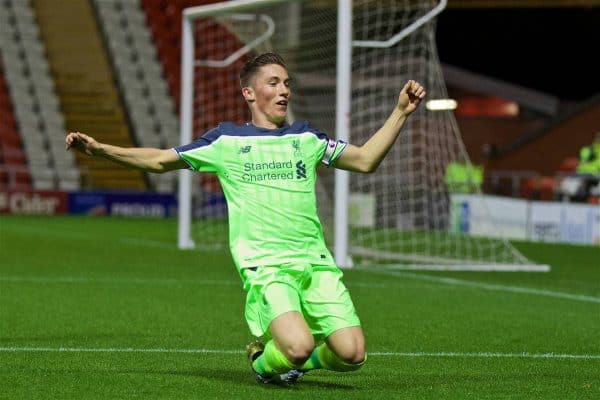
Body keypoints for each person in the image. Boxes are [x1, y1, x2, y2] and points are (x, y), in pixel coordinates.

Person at [66, 52, 426, 384]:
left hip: (315, 262)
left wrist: (400, 113)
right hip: (266, 265)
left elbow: (364, 160)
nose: (283, 90)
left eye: (287, 83)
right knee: (297, 346)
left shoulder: (306, 137)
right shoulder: (226, 141)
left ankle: (296, 364)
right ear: (250, 93)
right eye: (274, 83)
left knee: (352, 354)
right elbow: (161, 160)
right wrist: (101, 151)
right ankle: (261, 363)